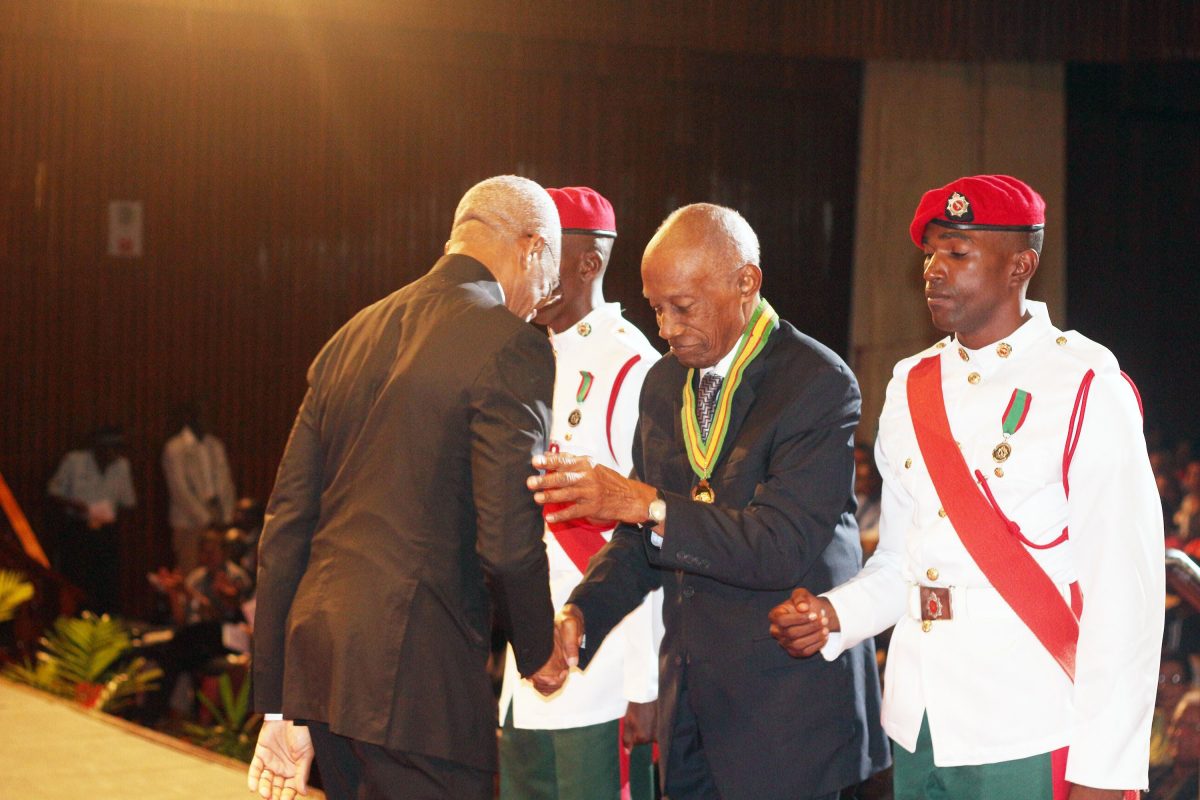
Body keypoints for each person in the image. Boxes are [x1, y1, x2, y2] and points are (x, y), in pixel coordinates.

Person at [769, 175, 1164, 800]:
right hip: (920, 724)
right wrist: (834, 614)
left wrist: (1104, 771)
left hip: (1029, 726)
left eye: (957, 252)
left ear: (1020, 266)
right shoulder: (909, 385)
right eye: (931, 253)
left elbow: (1127, 598)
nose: (933, 269)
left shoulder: (1084, 383)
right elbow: (902, 564)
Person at [527, 203, 889, 800]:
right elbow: (642, 540)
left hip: (790, 720)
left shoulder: (816, 382)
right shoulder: (664, 383)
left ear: (745, 282)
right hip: (692, 711)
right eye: (657, 308)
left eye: (683, 307)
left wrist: (649, 505)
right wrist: (580, 616)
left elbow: (780, 544)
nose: (666, 328)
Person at [248, 175, 569, 800]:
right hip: (420, 682)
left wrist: (279, 705)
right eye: (547, 286)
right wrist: (538, 649)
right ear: (531, 249)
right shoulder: (512, 346)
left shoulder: (351, 335)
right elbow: (506, 538)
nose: (538, 305)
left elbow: (285, 526)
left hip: (322, 677)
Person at [499, 186, 662, 800]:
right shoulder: (518, 355)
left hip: (600, 664)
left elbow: (646, 528)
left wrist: (642, 684)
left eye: (542, 251)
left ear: (588, 263)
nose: (527, 268)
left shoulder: (632, 365)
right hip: (528, 660)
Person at [46, 425, 137, 614]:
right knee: (77, 580)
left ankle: (105, 621)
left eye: (117, 450)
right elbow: (53, 492)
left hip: (106, 532)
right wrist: (76, 505)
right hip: (79, 530)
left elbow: (128, 502)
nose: (113, 454)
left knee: (107, 583)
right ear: (98, 448)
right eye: (110, 449)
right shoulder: (74, 461)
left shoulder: (122, 466)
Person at [162, 400, 236, 574]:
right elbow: (180, 491)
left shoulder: (215, 445)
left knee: (219, 572)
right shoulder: (175, 448)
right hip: (189, 520)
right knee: (191, 571)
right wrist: (205, 519)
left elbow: (226, 483)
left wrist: (226, 516)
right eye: (204, 416)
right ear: (191, 417)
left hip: (217, 513)